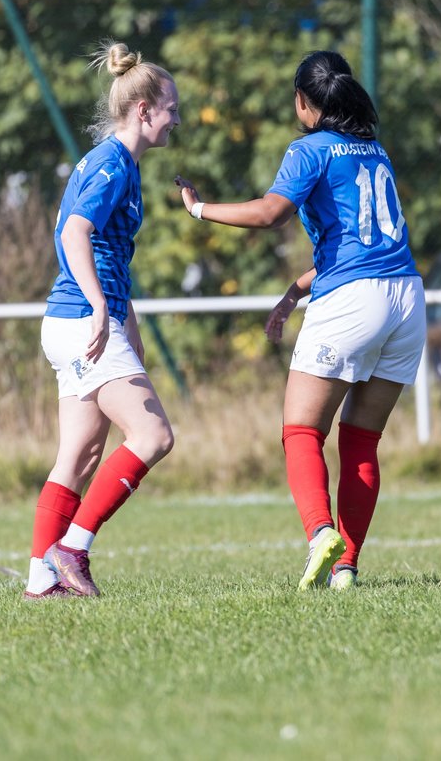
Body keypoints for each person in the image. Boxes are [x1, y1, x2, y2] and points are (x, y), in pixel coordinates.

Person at [175, 50, 424, 591]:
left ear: (302, 101)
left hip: (355, 300)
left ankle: (319, 534)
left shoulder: (308, 148)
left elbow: (269, 213)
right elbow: (363, 244)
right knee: (361, 440)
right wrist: (295, 291)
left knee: (301, 431)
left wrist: (199, 209)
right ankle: (346, 571)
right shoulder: (373, 150)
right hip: (406, 296)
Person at [24, 42, 180, 599]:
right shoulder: (114, 163)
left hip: (73, 320)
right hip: (80, 319)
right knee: (153, 434)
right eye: (171, 108)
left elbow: (111, 254)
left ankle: (42, 579)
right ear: (143, 109)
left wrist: (122, 322)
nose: (176, 119)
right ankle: (73, 547)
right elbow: (73, 234)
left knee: (82, 454)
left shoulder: (117, 163)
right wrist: (98, 309)